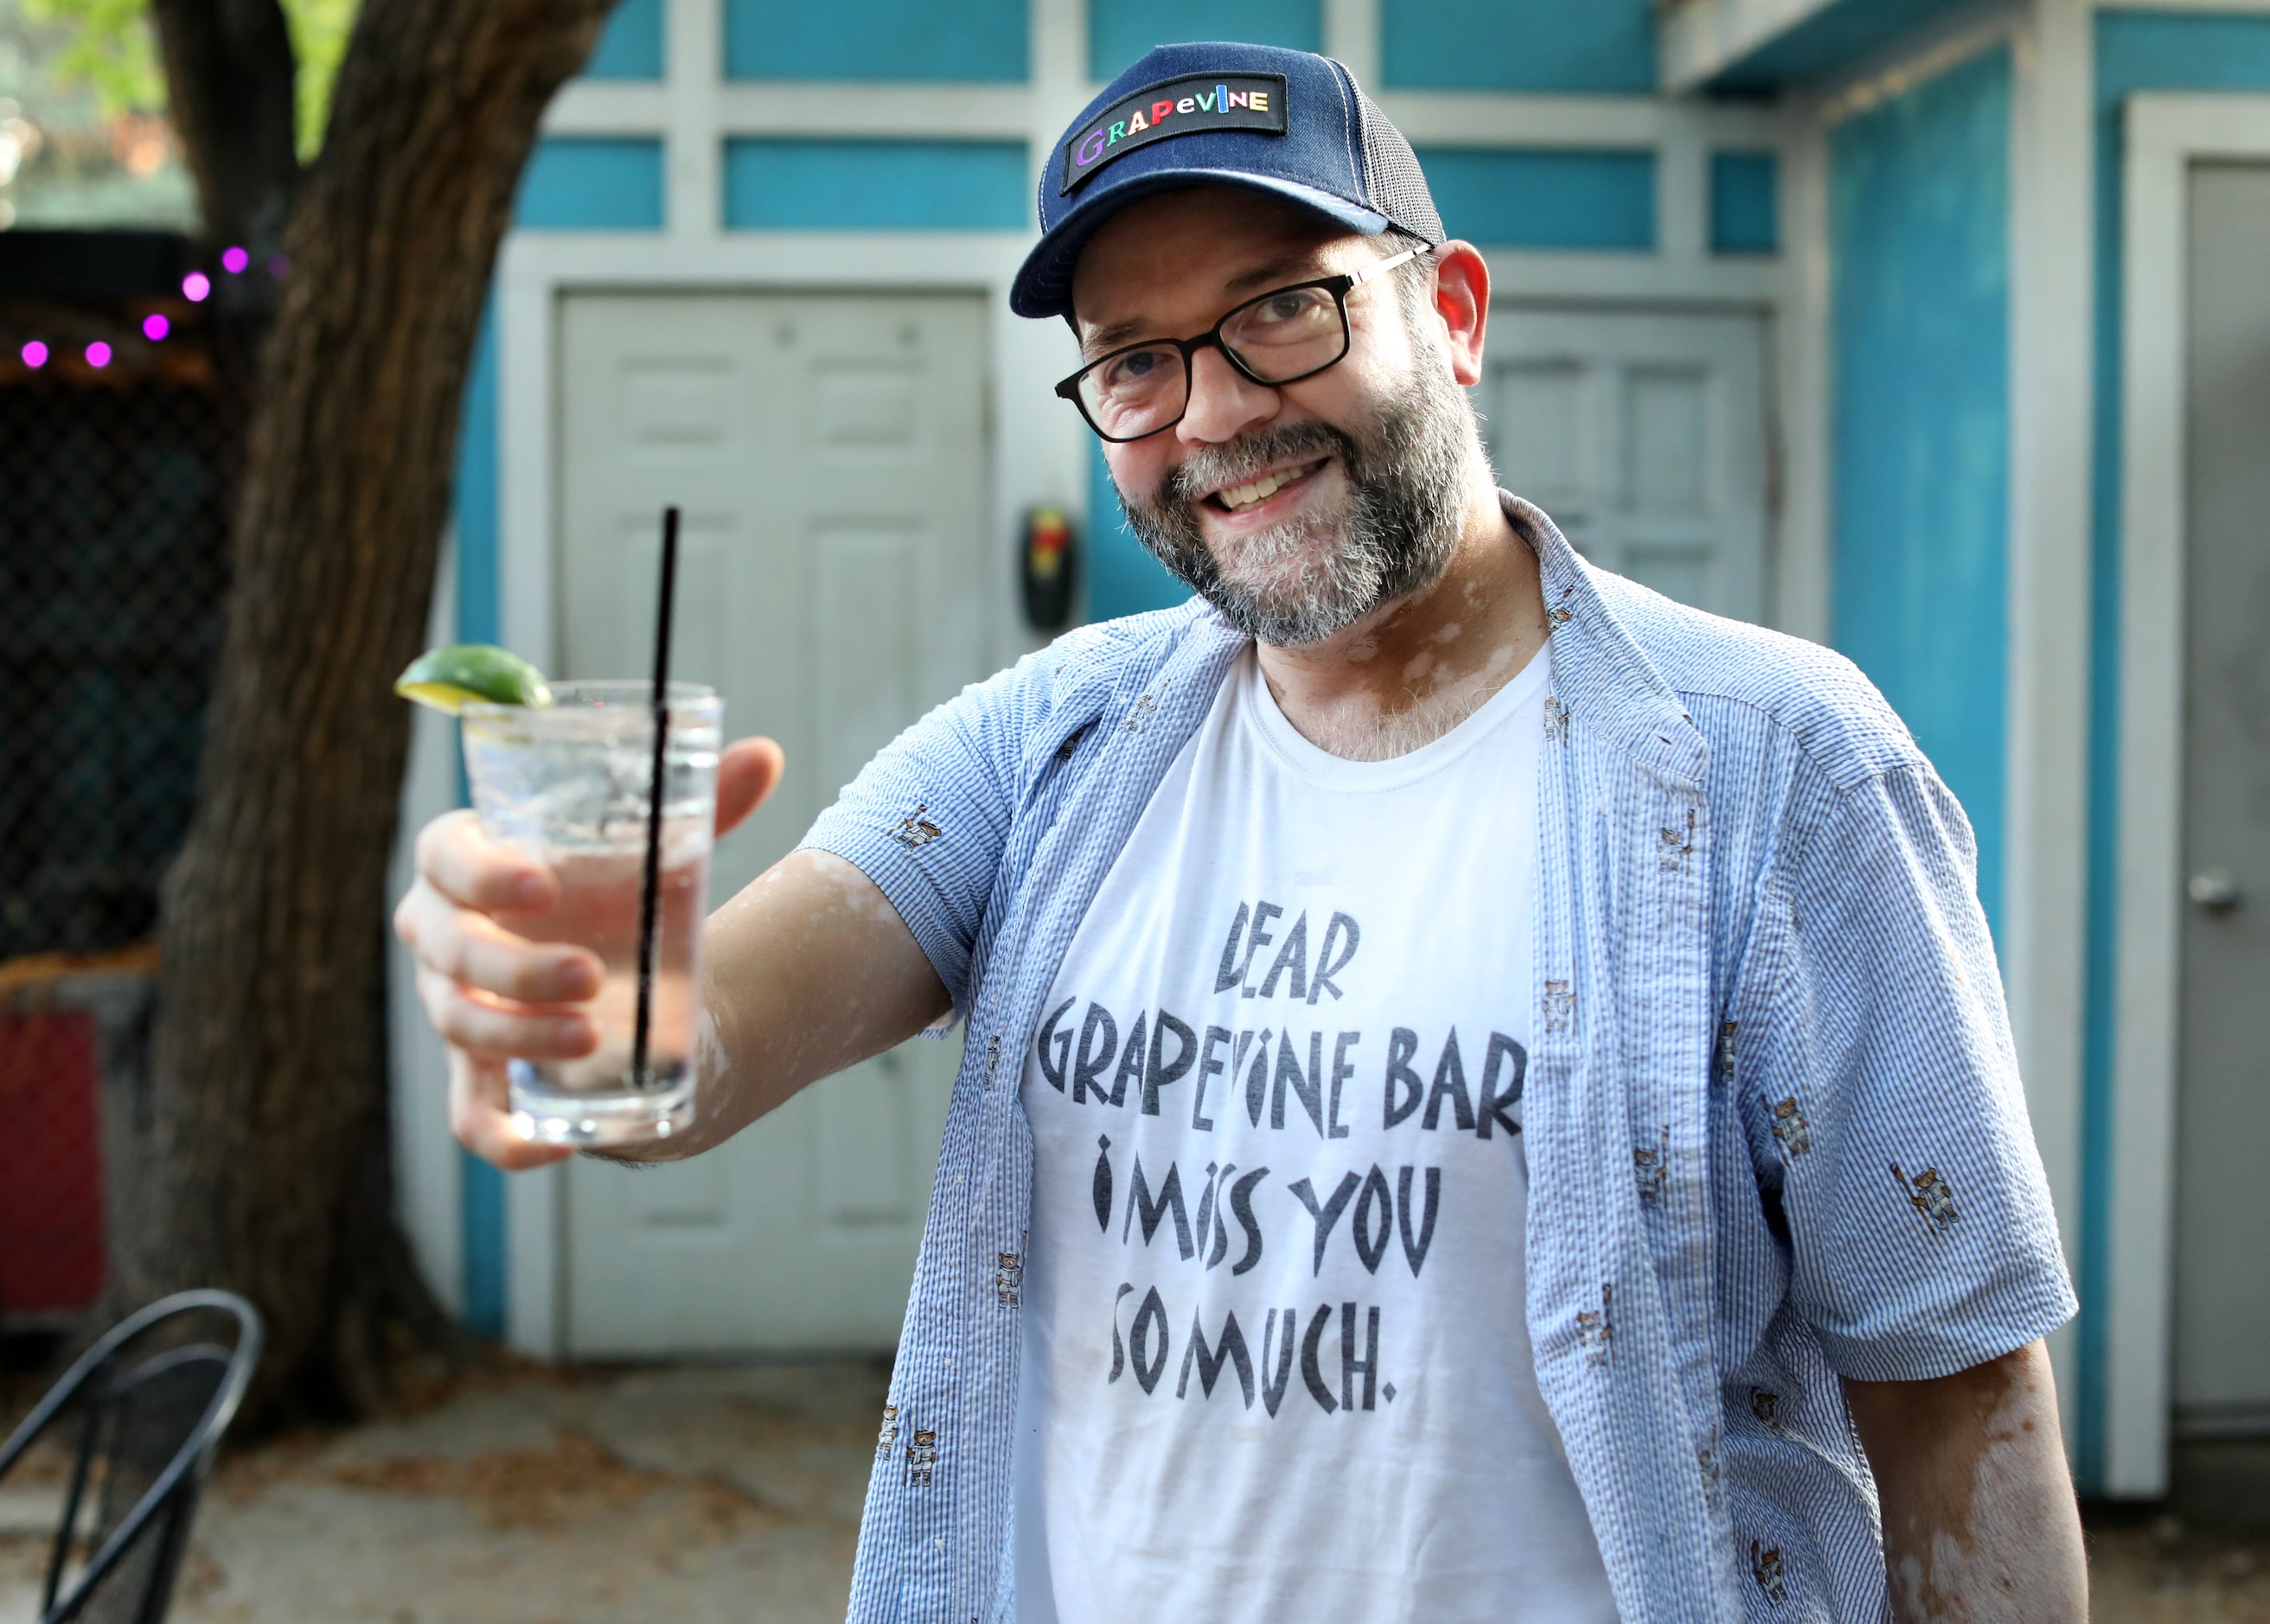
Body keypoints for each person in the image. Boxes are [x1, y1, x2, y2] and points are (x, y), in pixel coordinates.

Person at [395, 42, 2087, 1623]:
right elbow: (695, 1046)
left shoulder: (1767, 766)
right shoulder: (1054, 741)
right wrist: (563, 999)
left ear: (1454, 313)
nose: (1206, 415)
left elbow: (1952, 1389)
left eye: (1280, 309)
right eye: (1133, 362)